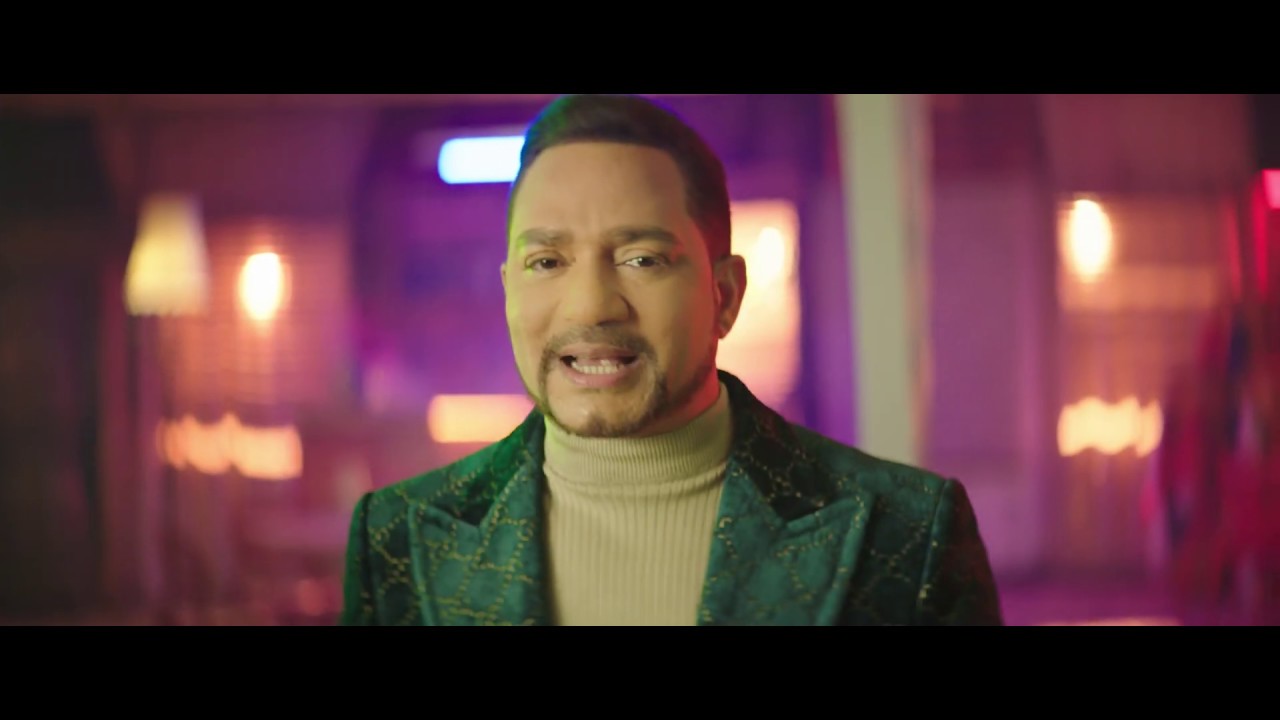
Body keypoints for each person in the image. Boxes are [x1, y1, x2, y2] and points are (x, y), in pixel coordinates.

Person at [339, 94, 1003, 626]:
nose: (592, 306)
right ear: (509, 288)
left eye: (642, 259)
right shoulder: (398, 538)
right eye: (547, 262)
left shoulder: (908, 532)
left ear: (725, 295)